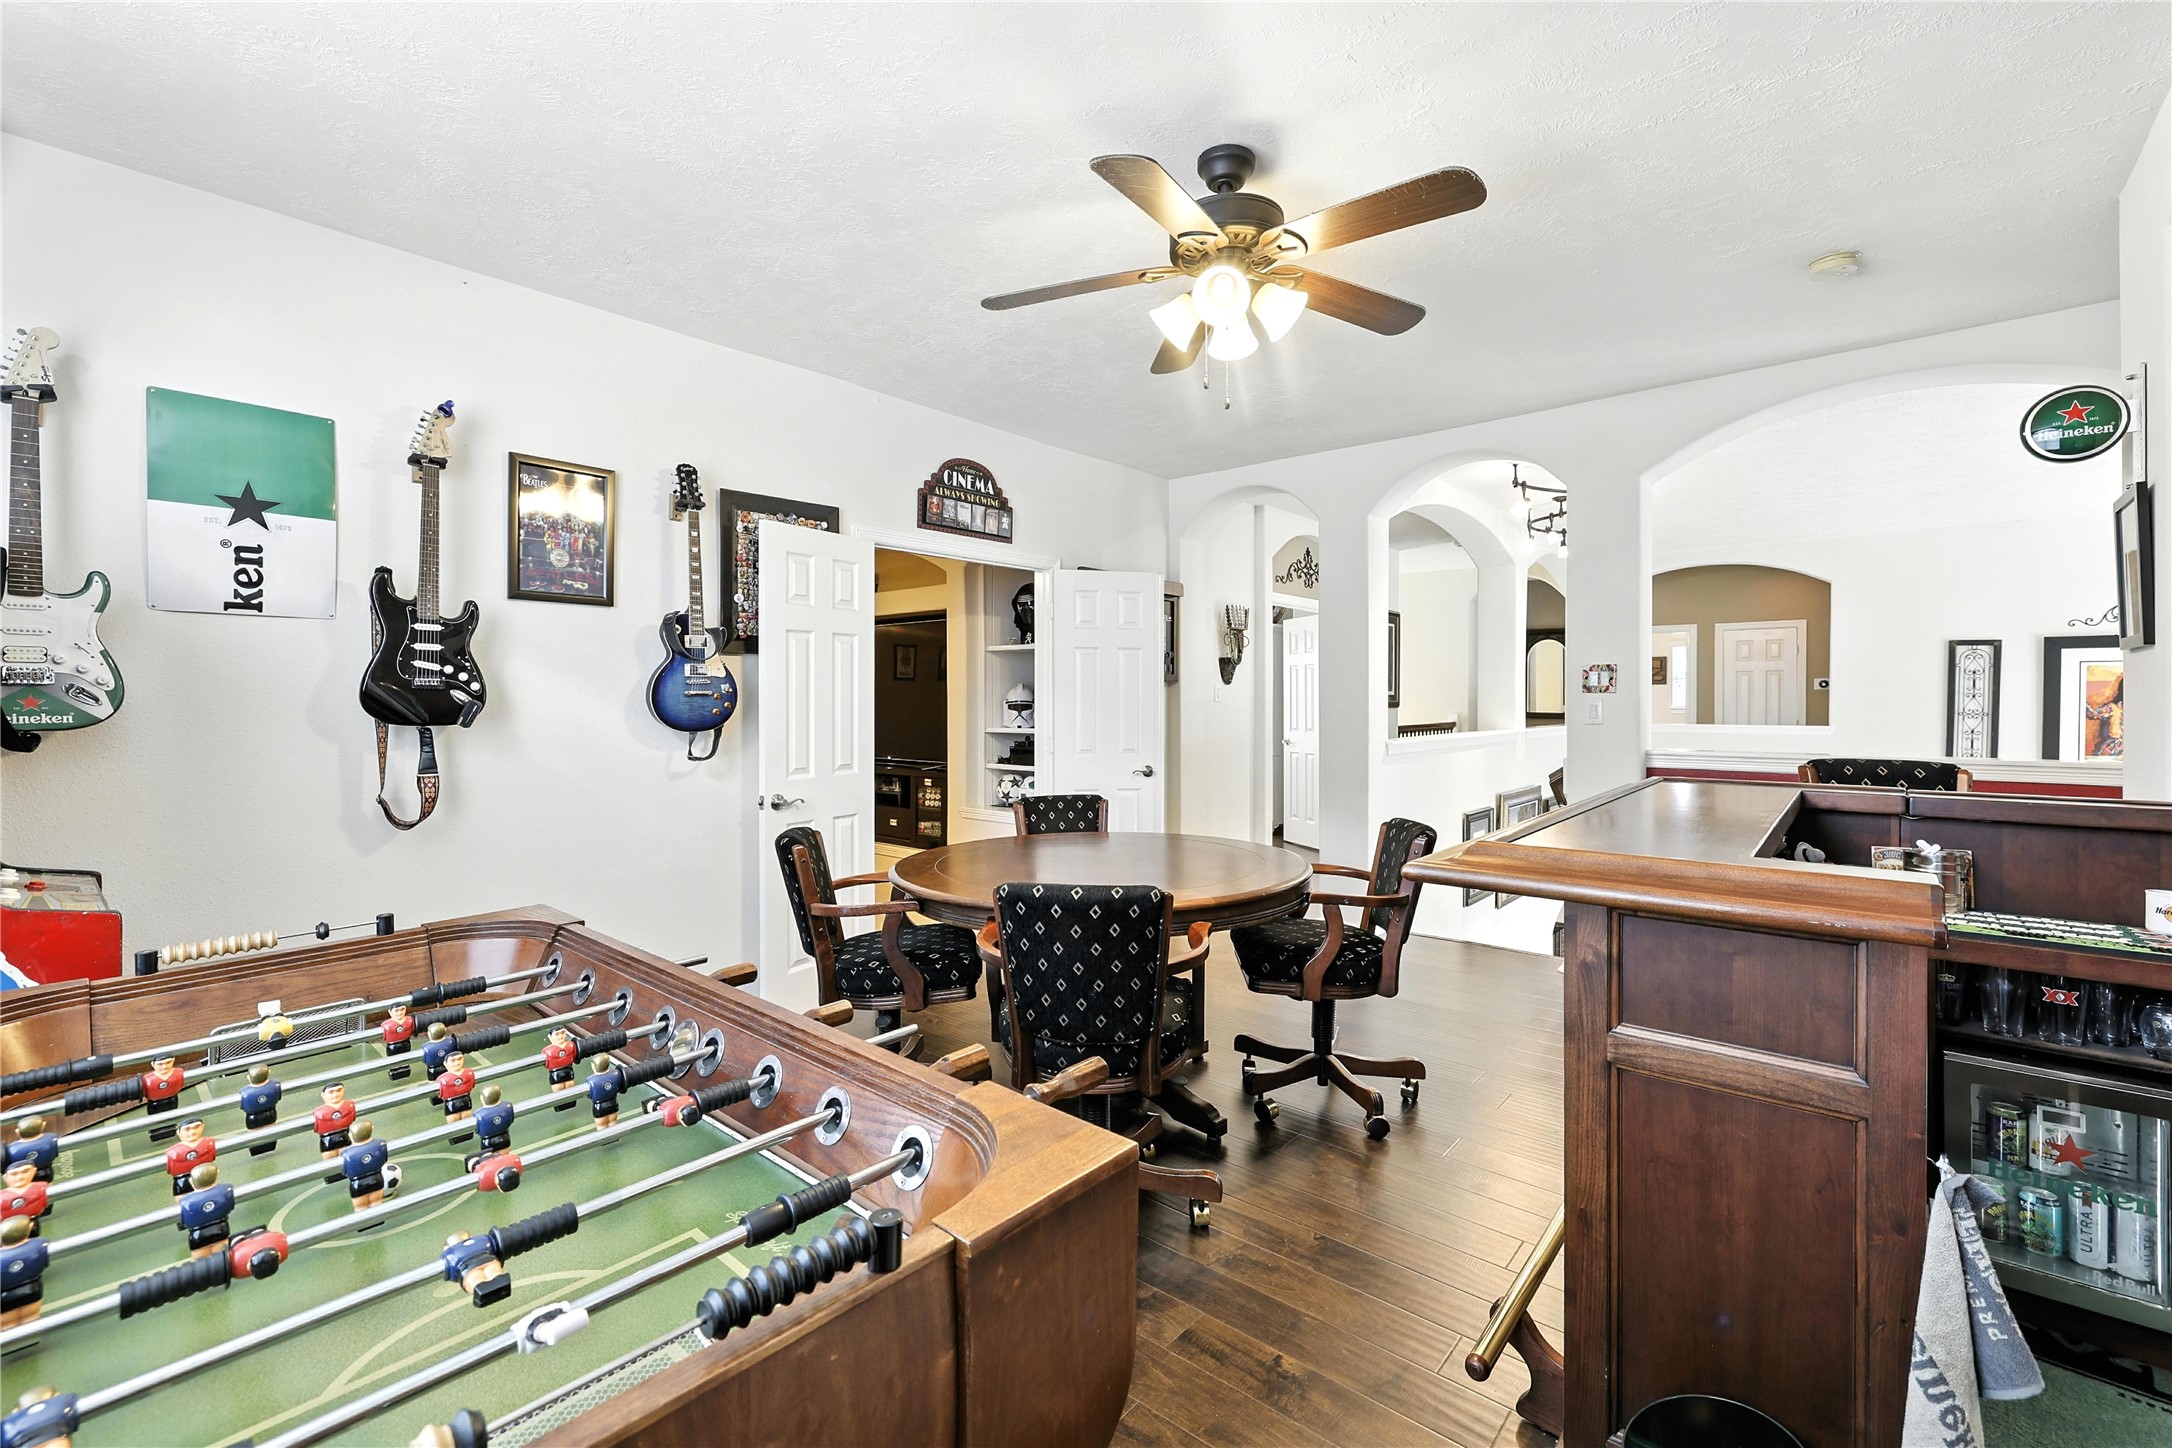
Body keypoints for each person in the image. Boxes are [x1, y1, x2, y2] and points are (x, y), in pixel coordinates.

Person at [177, 1164, 234, 1259]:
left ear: (191, 1182)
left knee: (202, 1268)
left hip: (198, 1236)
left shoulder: (186, 1202)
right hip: (220, 1230)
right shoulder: (225, 1190)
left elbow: (184, 1223)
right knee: (223, 1261)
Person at [0, 1216, 48, 1328]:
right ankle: (29, 1338)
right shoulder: (38, 1246)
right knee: (31, 1316)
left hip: (4, 1295)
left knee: (6, 1322)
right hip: (32, 1288)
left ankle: (11, 1342)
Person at [440, 1230, 509, 1307]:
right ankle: (491, 1282)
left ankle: (487, 1283)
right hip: (484, 1263)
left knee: (478, 1277)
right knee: (486, 1274)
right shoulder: (482, 1240)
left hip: (473, 1268)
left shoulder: (450, 1257)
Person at [339, 1122, 391, 1212]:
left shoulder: (347, 1154)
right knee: (377, 1202)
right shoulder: (380, 1144)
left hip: (358, 1184)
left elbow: (345, 1171)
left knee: (360, 1206)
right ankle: (378, 1219)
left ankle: (365, 1223)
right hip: (377, 1179)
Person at [165, 1119, 216, 1197]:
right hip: (183, 1181)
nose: (192, 1132)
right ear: (179, 1132)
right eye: (187, 1129)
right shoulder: (173, 1152)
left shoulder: (209, 1144)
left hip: (205, 1177)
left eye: (196, 1127)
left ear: (202, 1127)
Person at [239, 1066, 283, 1156]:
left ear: (249, 1078)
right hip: (271, 1114)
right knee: (270, 1131)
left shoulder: (245, 1093)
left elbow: (242, 1106)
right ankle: (269, 1148)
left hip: (253, 1118)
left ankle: (256, 1151)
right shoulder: (275, 1086)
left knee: (255, 1135)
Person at [3, 1119, 58, 1184]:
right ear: (43, 1126)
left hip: (25, 1175)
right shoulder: (51, 1139)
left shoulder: (12, 1148)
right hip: (45, 1171)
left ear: (17, 1132)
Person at [313, 1082, 356, 1157]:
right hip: (327, 1140)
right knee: (330, 1163)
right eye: (331, 1092)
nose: (335, 1095)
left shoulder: (349, 1106)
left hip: (345, 1136)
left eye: (339, 1090)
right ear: (323, 1095)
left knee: (347, 1160)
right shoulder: (319, 1112)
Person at [435, 1051, 477, 1122]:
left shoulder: (469, 1073)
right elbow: (439, 1094)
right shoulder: (442, 1079)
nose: (457, 1063)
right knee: (453, 1126)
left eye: (459, 1059)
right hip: (451, 1104)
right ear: (445, 1063)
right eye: (453, 1060)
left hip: (466, 1102)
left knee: (467, 1125)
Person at [381, 1001, 417, 1079]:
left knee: (406, 1057)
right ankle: (394, 1071)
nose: (399, 1013)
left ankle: (406, 1069)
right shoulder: (386, 1025)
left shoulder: (409, 1020)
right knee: (393, 1059)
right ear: (390, 1012)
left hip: (405, 1042)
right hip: (393, 1045)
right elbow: (384, 1036)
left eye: (402, 1010)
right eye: (396, 1011)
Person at [586, 1057, 622, 1130]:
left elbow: (589, 1095)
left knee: (601, 1125)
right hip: (613, 1103)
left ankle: (604, 1138)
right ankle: (614, 1135)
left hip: (600, 1107)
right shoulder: (616, 1074)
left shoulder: (591, 1080)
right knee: (613, 1121)